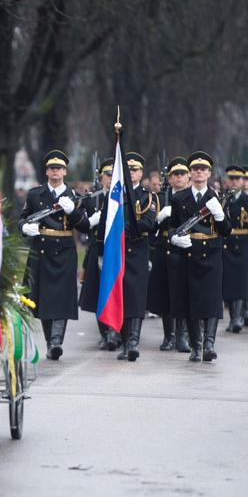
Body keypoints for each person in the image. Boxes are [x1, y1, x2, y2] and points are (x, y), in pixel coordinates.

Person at [20, 149, 92, 360]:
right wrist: (25, 228)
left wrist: (74, 211)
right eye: (52, 168)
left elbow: (86, 227)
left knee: (61, 297)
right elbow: (23, 218)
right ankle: (50, 342)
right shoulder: (35, 194)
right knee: (43, 298)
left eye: (59, 168)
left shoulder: (73, 196)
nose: (55, 172)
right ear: (46, 171)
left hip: (65, 249)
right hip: (42, 248)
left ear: (65, 171)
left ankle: (56, 341)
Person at [167, 151, 231, 362]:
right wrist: (175, 239)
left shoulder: (216, 198)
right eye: (195, 169)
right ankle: (196, 346)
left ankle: (209, 344)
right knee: (192, 302)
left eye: (203, 169)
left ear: (209, 173)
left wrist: (220, 214)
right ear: (190, 173)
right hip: (189, 253)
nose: (199, 172)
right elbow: (172, 227)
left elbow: (226, 230)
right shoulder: (179, 198)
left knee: (211, 301)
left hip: (211, 252)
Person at [114, 151, 158, 361]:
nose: (132, 173)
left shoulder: (149, 197)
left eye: (136, 170)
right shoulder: (114, 196)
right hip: (118, 251)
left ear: (141, 173)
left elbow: (148, 224)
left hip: (138, 251)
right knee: (121, 296)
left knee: (136, 296)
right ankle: (124, 343)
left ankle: (133, 342)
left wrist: (125, 228)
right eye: (128, 170)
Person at [148, 157, 192, 352]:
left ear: (188, 176)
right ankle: (169, 336)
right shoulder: (158, 198)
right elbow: (149, 227)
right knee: (166, 294)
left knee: (182, 294)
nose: (179, 177)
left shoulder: (193, 197)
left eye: (182, 174)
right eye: (175, 174)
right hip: (164, 249)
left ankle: (182, 336)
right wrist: (159, 219)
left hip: (184, 249)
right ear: (170, 178)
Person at [79, 157, 117, 350]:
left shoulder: (122, 198)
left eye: (113, 174)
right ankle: (104, 332)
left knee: (116, 291)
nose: (110, 178)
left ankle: (115, 332)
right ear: (101, 177)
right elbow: (82, 228)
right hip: (97, 248)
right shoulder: (93, 199)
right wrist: (90, 221)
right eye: (107, 175)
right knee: (98, 293)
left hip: (117, 250)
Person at [220, 166, 248, 333]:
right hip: (227, 245)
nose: (234, 182)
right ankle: (232, 318)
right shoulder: (224, 200)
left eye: (237, 179)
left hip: (244, 244)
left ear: (242, 181)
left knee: (241, 283)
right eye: (232, 179)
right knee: (228, 283)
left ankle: (237, 318)